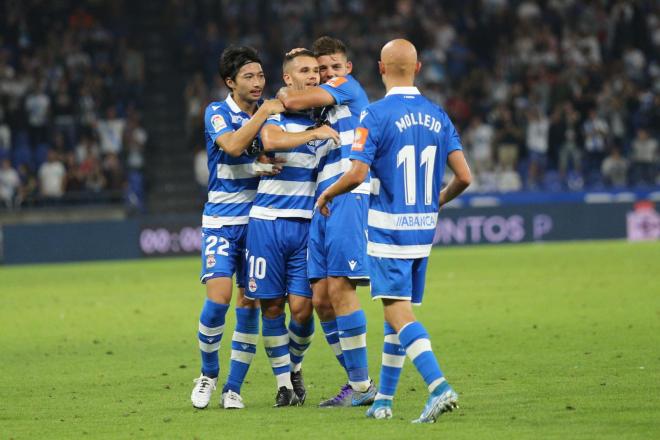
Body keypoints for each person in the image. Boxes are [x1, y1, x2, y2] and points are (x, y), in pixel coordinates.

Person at [317, 39, 472, 423]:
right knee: (395, 313)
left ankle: (438, 386)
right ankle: (384, 400)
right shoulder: (439, 116)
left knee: (397, 312)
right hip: (422, 231)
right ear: (418, 68)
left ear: (381, 69)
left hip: (388, 231)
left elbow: (356, 173)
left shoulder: (375, 115)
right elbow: (465, 177)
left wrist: (327, 192)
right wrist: (436, 201)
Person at [277, 37, 376, 407]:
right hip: (324, 201)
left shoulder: (347, 89)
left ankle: (363, 387)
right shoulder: (322, 114)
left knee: (340, 289)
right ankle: (356, 384)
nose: (327, 74)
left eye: (334, 67)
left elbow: (292, 99)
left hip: (348, 195)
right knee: (320, 299)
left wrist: (286, 89)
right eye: (321, 69)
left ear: (347, 68)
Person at [190, 46, 286, 410]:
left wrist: (263, 167)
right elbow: (231, 146)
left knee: (249, 303)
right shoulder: (217, 112)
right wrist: (263, 114)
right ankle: (208, 374)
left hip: (258, 223)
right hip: (220, 221)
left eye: (261, 75)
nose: (258, 82)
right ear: (230, 82)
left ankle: (233, 388)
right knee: (218, 300)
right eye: (249, 76)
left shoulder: (272, 115)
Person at [245, 49, 340, 407]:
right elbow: (270, 142)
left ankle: (294, 366)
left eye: (316, 70)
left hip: (306, 226)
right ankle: (284, 386)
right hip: (267, 223)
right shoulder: (276, 111)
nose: (314, 75)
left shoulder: (327, 114)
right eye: (305, 70)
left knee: (303, 308)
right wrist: (314, 134)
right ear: (288, 79)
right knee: (271, 307)